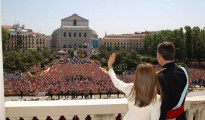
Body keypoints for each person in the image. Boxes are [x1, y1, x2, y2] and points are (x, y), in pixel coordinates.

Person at [107, 53, 163, 120]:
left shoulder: (130, 89)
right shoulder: (157, 99)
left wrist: (110, 66)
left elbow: (116, 82)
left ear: (137, 76)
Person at [156, 42, 189, 120]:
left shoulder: (160, 77)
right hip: (181, 117)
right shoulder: (184, 71)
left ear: (160, 56)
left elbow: (162, 108)